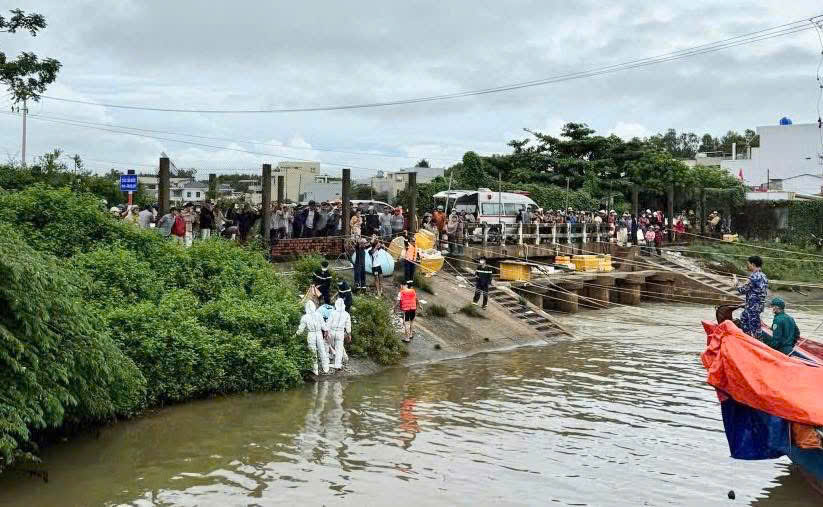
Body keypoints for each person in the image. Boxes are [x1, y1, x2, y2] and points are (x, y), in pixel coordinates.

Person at [734, 255, 769, 337]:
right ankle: (747, 337)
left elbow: (743, 290)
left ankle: (755, 340)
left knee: (754, 327)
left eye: (748, 264)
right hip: (758, 305)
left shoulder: (754, 276)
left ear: (753, 264)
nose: (748, 266)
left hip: (753, 306)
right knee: (744, 317)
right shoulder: (764, 276)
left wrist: (736, 284)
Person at [297, 301, 329, 376]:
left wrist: (296, 335)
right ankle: (326, 368)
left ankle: (315, 370)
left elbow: (301, 329)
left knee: (313, 351)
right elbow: (323, 325)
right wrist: (326, 331)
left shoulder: (304, 317)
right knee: (322, 350)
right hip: (319, 333)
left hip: (311, 334)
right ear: (314, 306)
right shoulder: (319, 315)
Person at [328, 298, 351, 372]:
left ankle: (330, 358)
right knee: (339, 349)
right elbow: (348, 325)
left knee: (330, 345)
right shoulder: (346, 314)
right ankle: (337, 365)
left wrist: (326, 332)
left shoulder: (333, 313)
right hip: (340, 332)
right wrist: (349, 334)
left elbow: (329, 323)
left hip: (332, 331)